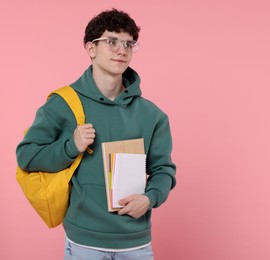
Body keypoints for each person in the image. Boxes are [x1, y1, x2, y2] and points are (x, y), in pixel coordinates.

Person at [16, 8, 176, 259]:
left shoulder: (152, 115)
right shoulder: (63, 104)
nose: (122, 50)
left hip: (135, 243)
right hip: (83, 242)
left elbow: (164, 170)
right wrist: (70, 146)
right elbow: (26, 155)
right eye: (112, 41)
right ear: (91, 49)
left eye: (129, 44)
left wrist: (151, 197)